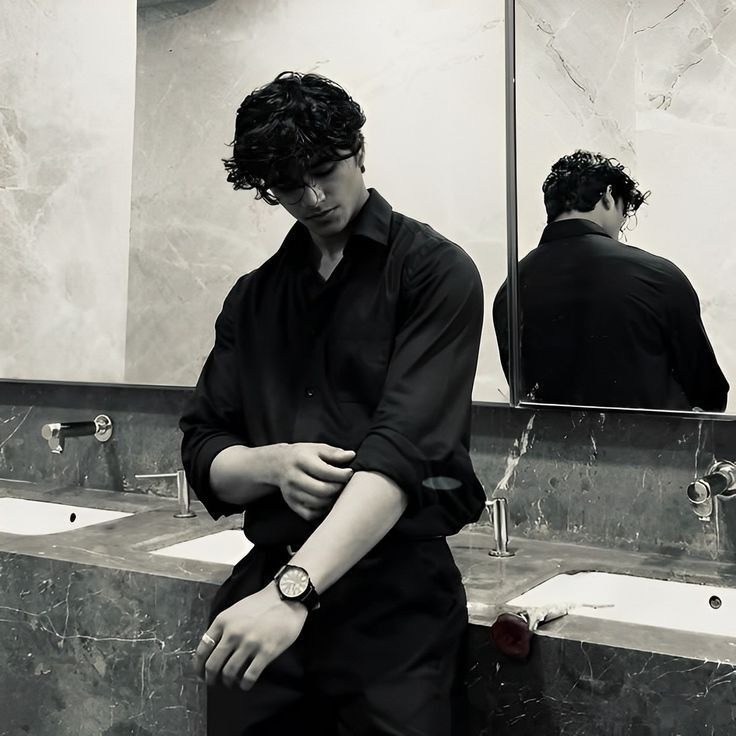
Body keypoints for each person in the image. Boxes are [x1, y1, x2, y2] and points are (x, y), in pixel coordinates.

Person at [180, 71, 486, 735]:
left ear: (359, 152)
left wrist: (293, 593)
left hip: (392, 610)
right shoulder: (253, 297)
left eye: (325, 171)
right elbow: (202, 445)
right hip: (264, 602)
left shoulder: (435, 272)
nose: (314, 198)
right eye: (290, 186)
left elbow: (402, 453)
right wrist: (271, 464)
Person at [493, 149, 728, 411]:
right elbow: (709, 395)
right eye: (623, 214)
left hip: (542, 438)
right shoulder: (658, 277)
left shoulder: (510, 291)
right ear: (607, 196)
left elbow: (524, 393)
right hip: (648, 437)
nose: (620, 226)